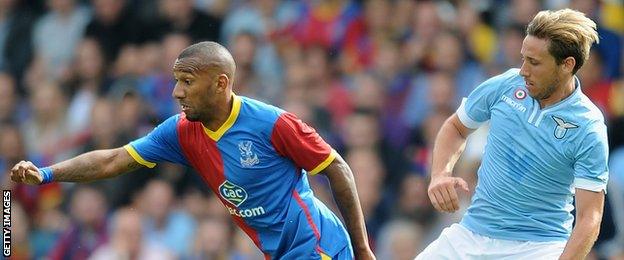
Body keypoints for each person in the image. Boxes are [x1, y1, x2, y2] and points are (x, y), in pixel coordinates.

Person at [10, 41, 375, 260]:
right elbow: (113, 159)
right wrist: (47, 173)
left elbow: (337, 168)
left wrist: (362, 250)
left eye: (187, 81)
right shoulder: (181, 132)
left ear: (220, 83)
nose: (176, 93)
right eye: (176, 81)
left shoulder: (273, 124)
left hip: (319, 248)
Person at [418, 9, 608, 259]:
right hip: (471, 235)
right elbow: (456, 127)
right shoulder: (505, 86)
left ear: (567, 64)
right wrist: (440, 173)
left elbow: (589, 218)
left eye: (534, 62)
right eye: (523, 59)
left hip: (538, 247)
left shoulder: (588, 126)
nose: (522, 71)